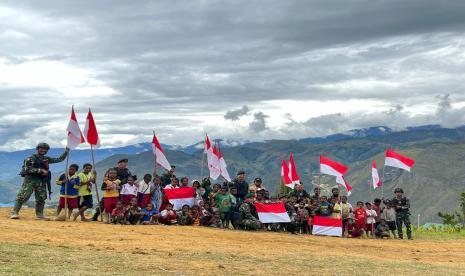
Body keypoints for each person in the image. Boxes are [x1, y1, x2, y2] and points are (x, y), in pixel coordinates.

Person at [11, 143, 69, 220]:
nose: (43, 150)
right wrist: (40, 170)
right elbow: (27, 169)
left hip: (41, 181)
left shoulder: (46, 159)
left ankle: (40, 215)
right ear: (37, 149)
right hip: (30, 180)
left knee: (41, 198)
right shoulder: (30, 158)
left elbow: (59, 159)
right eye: (41, 148)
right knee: (23, 196)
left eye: (45, 149)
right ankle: (14, 213)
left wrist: (66, 152)